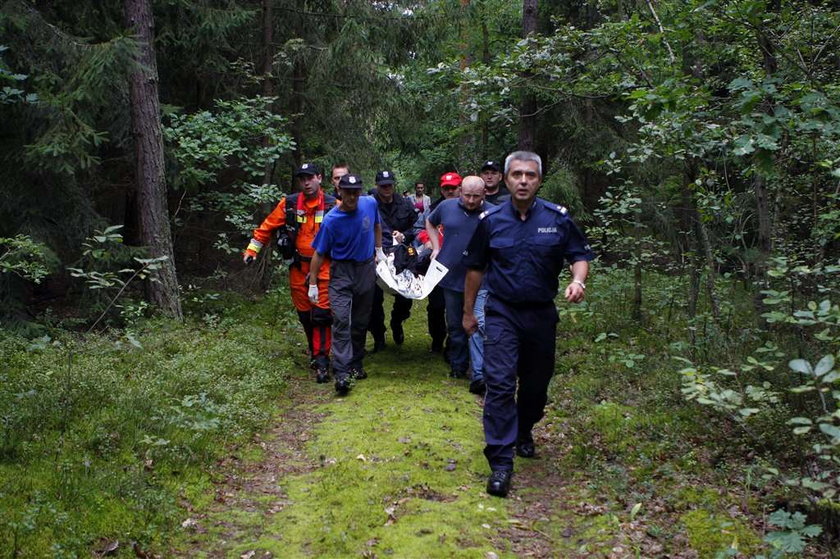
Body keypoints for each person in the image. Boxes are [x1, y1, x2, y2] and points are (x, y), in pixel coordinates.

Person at [462, 151, 594, 498]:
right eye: (517, 174)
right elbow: (474, 269)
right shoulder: (490, 221)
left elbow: (579, 255)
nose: (523, 180)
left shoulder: (557, 218)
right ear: (505, 180)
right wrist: (467, 313)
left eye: (530, 175)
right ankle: (501, 464)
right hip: (503, 312)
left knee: (535, 388)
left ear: (538, 180)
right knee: (501, 384)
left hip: (541, 314)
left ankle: (524, 428)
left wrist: (578, 281)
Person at [243, 163, 338, 384]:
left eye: (310, 178)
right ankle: (315, 352)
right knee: (305, 315)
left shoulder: (334, 205)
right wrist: (252, 250)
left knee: (322, 315)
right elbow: (266, 227)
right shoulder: (290, 204)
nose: (306, 182)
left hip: (324, 268)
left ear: (319, 178)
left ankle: (323, 361)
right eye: (301, 179)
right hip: (297, 268)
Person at [309, 174, 384, 395]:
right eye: (347, 192)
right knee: (341, 320)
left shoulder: (370, 203)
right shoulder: (332, 220)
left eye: (355, 192)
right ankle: (342, 373)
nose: (352, 196)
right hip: (341, 272)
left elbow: (377, 226)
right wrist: (313, 283)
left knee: (360, 321)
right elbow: (319, 252)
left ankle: (356, 363)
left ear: (360, 192)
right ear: (339, 192)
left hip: (365, 269)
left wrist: (379, 250)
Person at [426, 175, 493, 393]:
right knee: (455, 324)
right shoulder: (446, 207)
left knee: (477, 323)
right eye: (467, 196)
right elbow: (430, 222)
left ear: (484, 194)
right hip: (451, 277)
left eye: (476, 196)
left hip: (482, 280)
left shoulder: (494, 213)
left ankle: (479, 373)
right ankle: (458, 364)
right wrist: (436, 247)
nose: (471, 201)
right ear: (460, 192)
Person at [368, 170, 418, 351]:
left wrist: (404, 235)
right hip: (376, 257)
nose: (386, 188)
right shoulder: (369, 204)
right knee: (374, 299)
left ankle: (397, 321)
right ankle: (379, 337)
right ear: (377, 185)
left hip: (401, 258)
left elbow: (417, 227)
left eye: (389, 185)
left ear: (393, 185)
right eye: (383, 185)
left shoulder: (405, 204)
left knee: (406, 296)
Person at [419, 172, 462, 356]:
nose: (450, 191)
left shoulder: (469, 206)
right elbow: (420, 228)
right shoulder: (435, 207)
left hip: (460, 265)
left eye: (453, 188)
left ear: (460, 188)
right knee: (436, 305)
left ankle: (454, 345)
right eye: (446, 188)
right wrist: (427, 240)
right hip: (437, 264)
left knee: (458, 307)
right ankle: (437, 340)